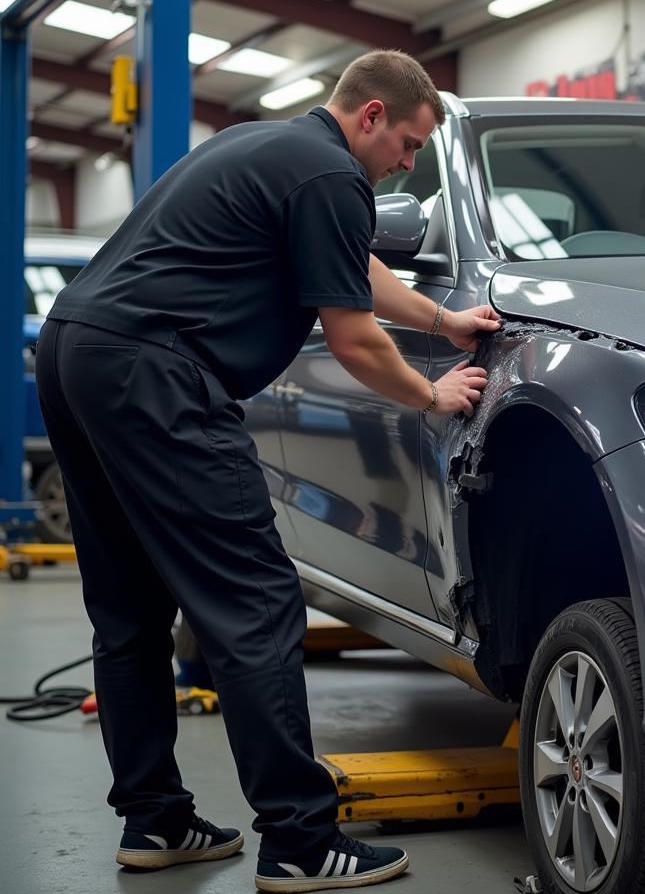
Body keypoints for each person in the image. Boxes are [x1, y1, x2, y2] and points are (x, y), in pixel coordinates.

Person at [35, 49, 500, 891]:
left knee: (131, 605)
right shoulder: (330, 176)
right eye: (405, 143)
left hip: (78, 351)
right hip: (156, 369)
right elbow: (355, 339)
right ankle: (298, 839)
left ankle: (156, 822)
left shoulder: (269, 148)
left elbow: (355, 266)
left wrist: (442, 316)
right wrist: (430, 393)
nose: (406, 164)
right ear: (369, 117)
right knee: (255, 601)